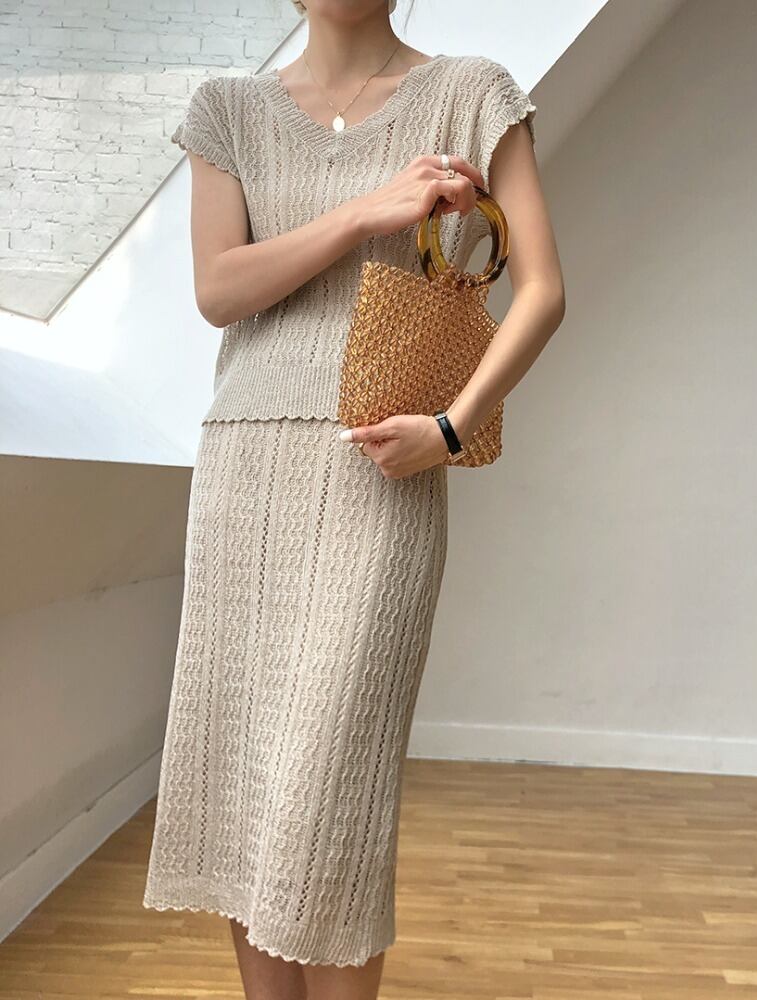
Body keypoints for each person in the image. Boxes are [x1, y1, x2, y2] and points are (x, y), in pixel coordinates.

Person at [141, 0, 565, 997]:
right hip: (245, 466)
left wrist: (452, 427)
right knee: (246, 784)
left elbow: (542, 290)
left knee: (335, 796)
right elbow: (219, 289)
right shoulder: (229, 108)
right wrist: (366, 212)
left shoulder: (470, 92)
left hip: (381, 471)